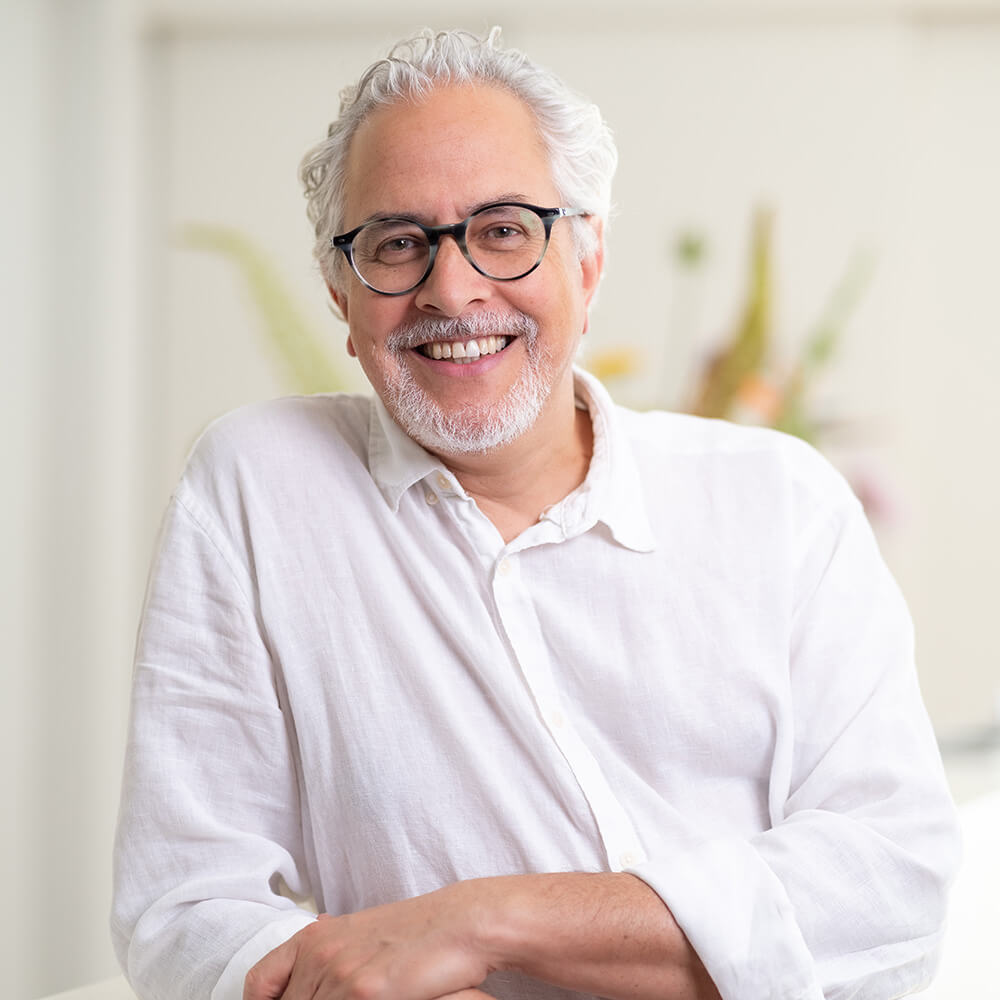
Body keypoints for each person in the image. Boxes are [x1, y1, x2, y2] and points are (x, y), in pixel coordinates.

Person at [111, 27, 960, 1000]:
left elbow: (891, 885)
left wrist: (476, 921)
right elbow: (185, 907)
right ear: (342, 299)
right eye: (397, 243)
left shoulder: (780, 501)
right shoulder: (261, 487)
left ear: (587, 263)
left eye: (504, 229)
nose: (452, 289)